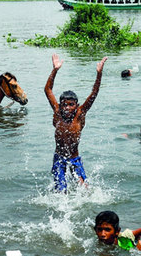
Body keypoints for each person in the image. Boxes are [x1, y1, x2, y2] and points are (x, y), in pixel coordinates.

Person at [45, 53, 108, 191]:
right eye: (64, 104)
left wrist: (99, 74)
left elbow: (94, 93)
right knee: (60, 190)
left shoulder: (80, 114)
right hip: (59, 158)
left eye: (71, 105)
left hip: (74, 159)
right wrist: (55, 70)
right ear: (60, 105)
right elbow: (47, 90)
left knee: (85, 189)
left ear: (76, 105)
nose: (67, 108)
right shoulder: (57, 113)